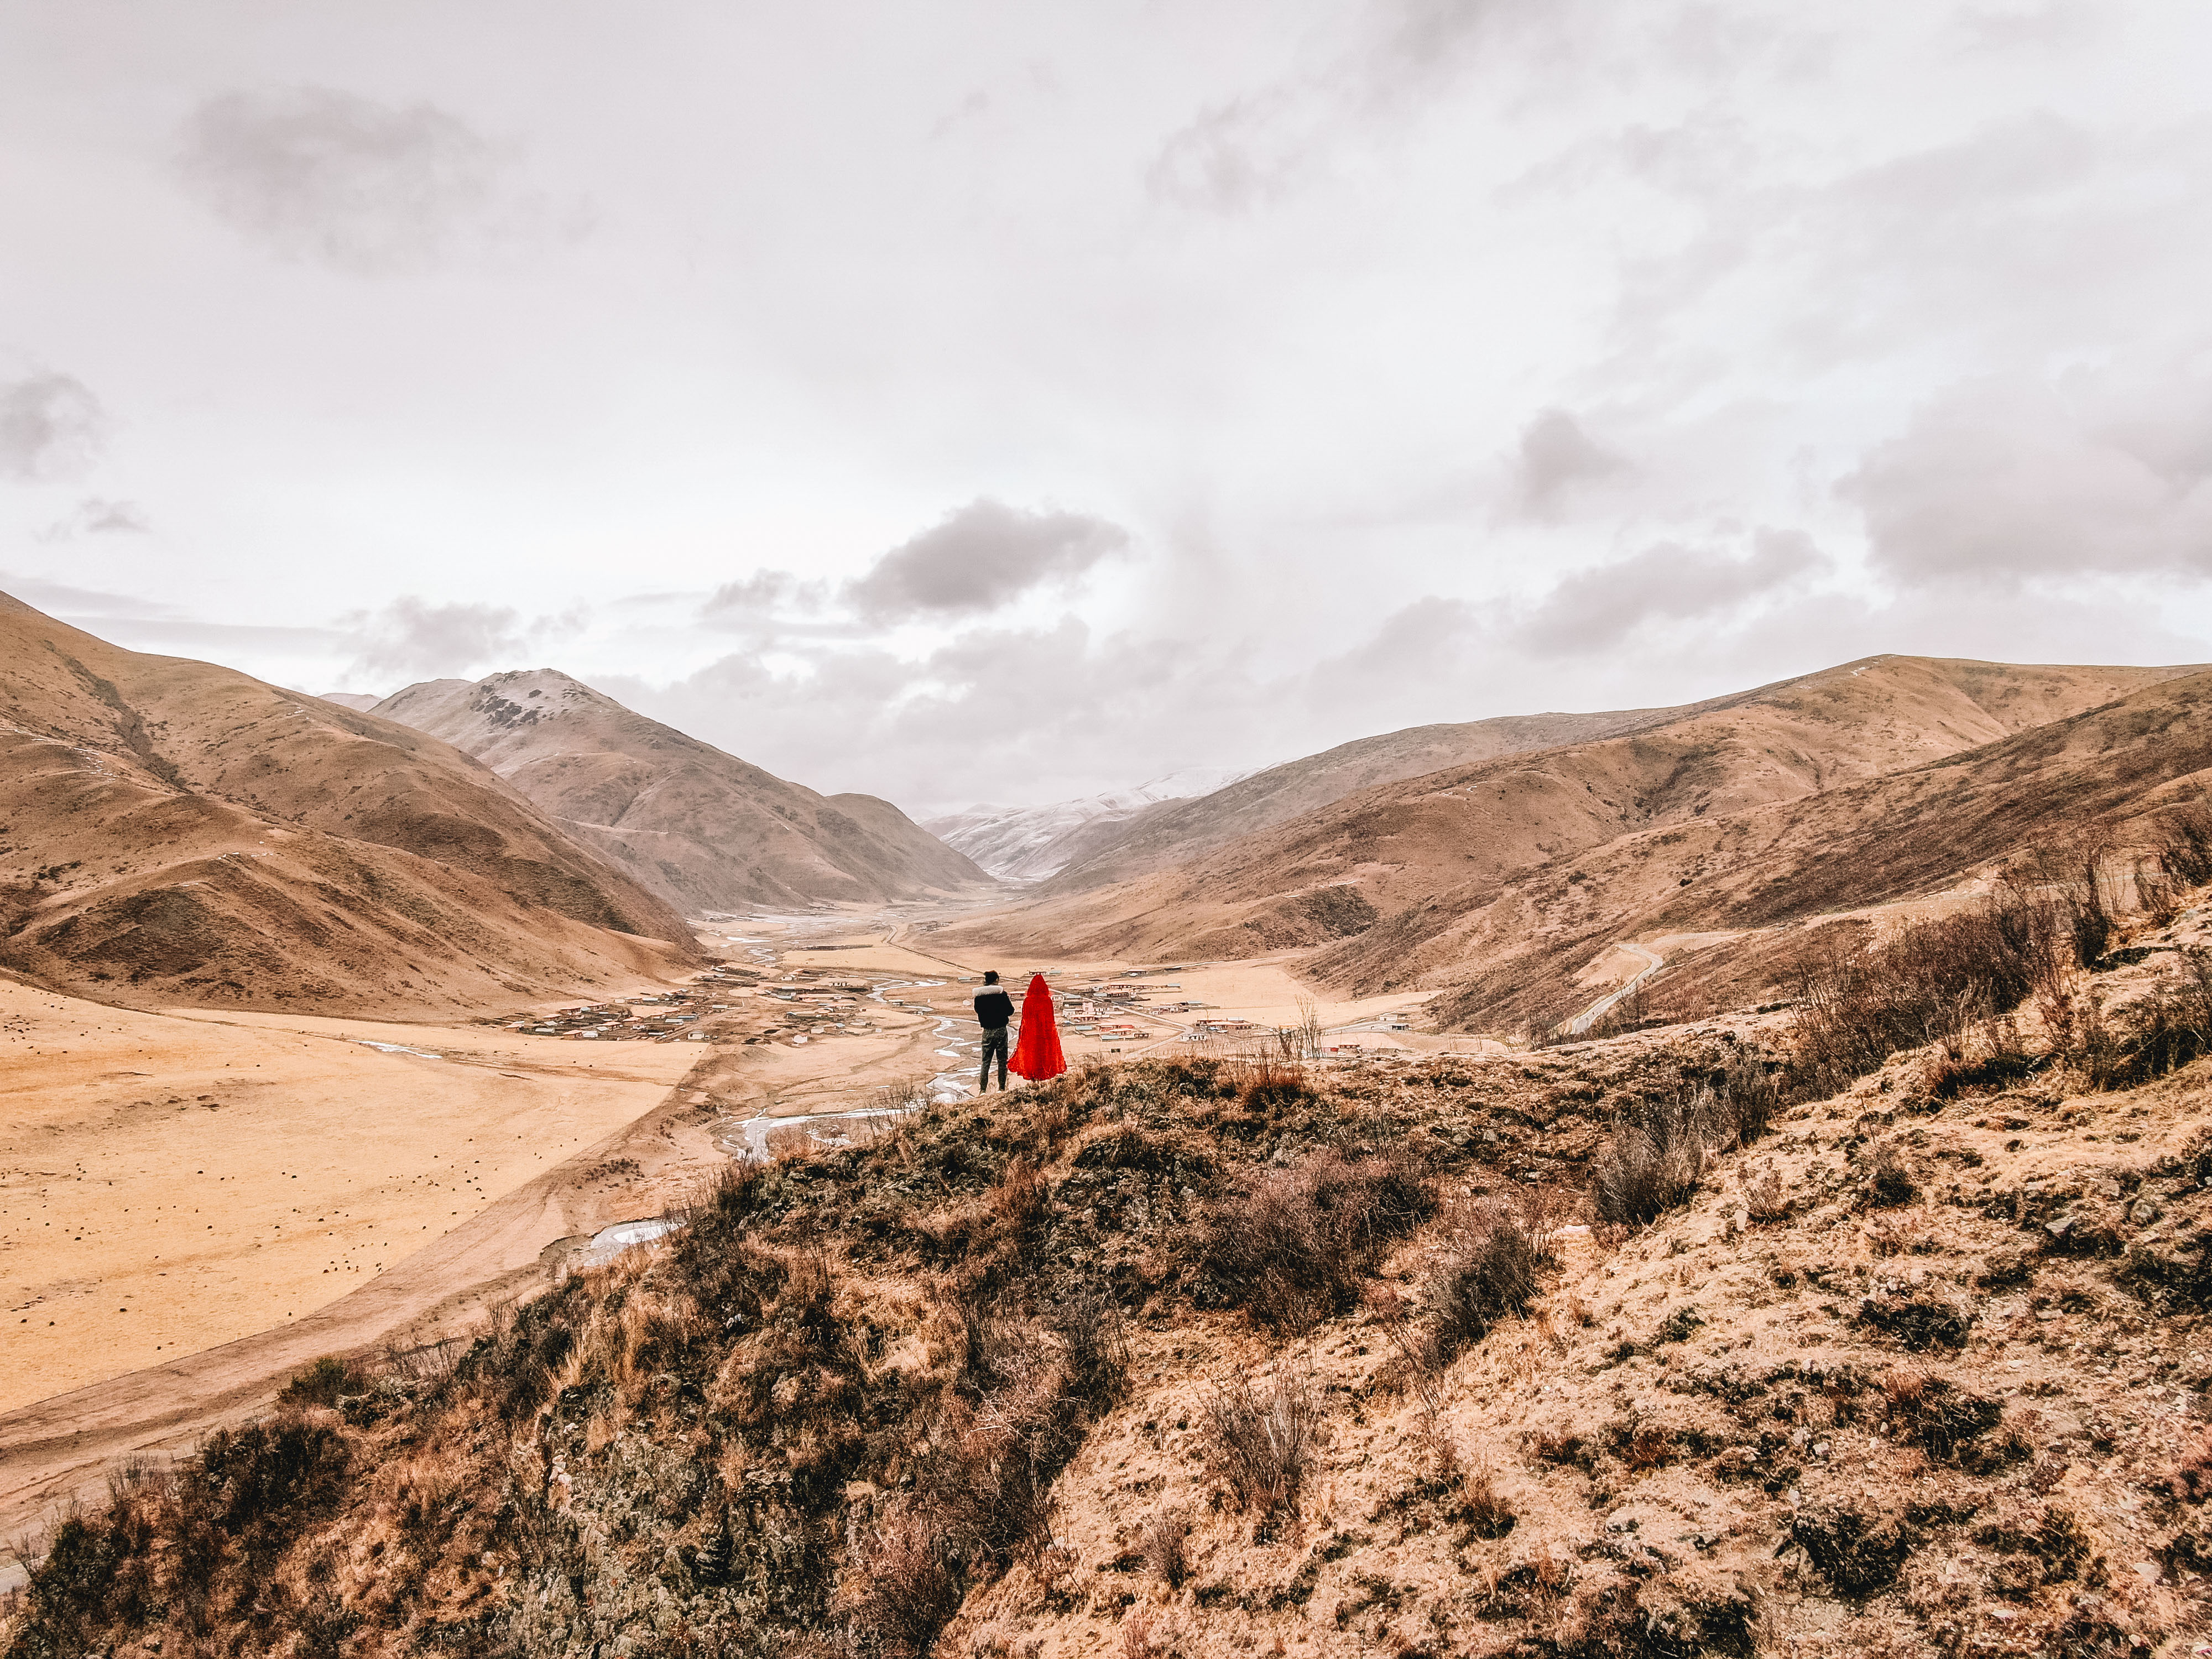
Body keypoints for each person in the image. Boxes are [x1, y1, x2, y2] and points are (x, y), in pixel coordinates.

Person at [1009, 972, 1067, 1083]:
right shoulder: (1047, 1001)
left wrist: (1024, 1034)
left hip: (1031, 1033)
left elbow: (1025, 1020)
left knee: (1032, 1054)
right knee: (1044, 1054)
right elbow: (1051, 1020)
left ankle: (1033, 1078)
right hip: (1045, 1033)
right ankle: (1044, 1074)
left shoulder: (1028, 1001)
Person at [974, 970, 1014, 1092]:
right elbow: (1010, 1011)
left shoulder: (979, 997)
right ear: (996, 980)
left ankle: (982, 1090)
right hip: (1001, 1030)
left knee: (986, 1061)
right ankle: (1001, 1088)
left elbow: (978, 1011)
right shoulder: (1002, 995)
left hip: (987, 1031)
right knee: (1002, 1061)